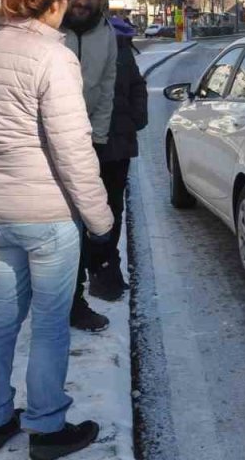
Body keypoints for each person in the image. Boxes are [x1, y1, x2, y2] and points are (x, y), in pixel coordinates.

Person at [0, 0, 113, 459]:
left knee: (2, 315)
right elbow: (72, 148)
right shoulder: (55, 58)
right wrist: (101, 221)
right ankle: (46, 426)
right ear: (57, 1)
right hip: (46, 216)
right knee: (48, 322)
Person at [57, 0, 119, 331]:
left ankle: (74, 301)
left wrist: (96, 139)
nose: (82, 0)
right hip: (43, 145)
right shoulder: (45, 30)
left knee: (78, 228)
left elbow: (107, 89)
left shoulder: (106, 34)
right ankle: (47, 301)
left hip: (84, 146)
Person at [87, 16, 148, 302]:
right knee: (102, 208)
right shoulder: (97, 46)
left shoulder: (120, 50)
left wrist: (135, 119)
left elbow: (137, 87)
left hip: (116, 142)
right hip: (92, 142)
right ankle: (102, 269)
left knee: (109, 208)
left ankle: (106, 269)